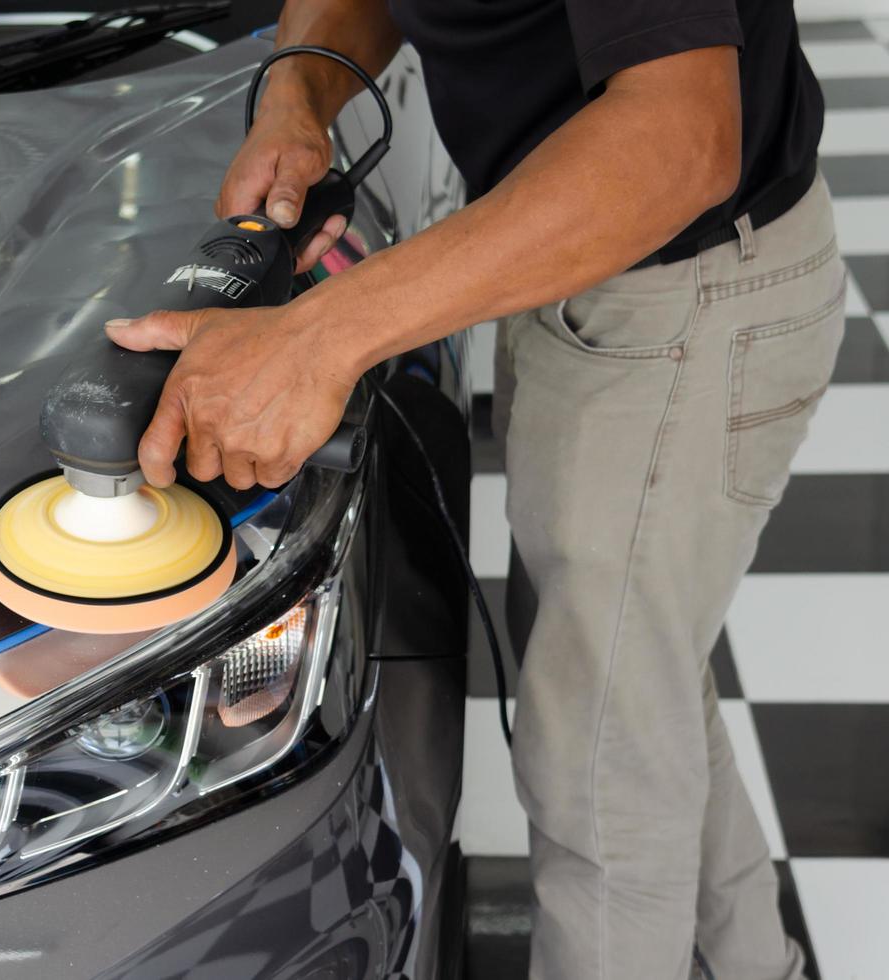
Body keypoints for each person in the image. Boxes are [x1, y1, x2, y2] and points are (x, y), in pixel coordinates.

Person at [104, 1, 843, 978]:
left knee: (597, 775)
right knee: (629, 676)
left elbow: (679, 135)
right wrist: (298, 90)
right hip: (585, 270)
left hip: (686, 289)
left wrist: (323, 335)